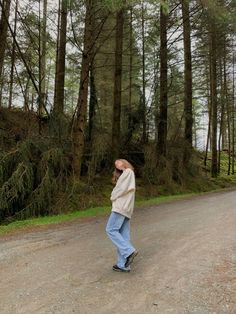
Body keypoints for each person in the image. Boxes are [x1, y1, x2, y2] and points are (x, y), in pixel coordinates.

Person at [106, 159, 138, 272]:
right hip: (126, 209)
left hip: (121, 207)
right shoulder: (128, 174)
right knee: (124, 236)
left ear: (124, 162)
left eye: (118, 162)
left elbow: (121, 189)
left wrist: (112, 196)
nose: (117, 164)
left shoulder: (128, 172)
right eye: (115, 164)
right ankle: (123, 265)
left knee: (110, 229)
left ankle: (129, 251)